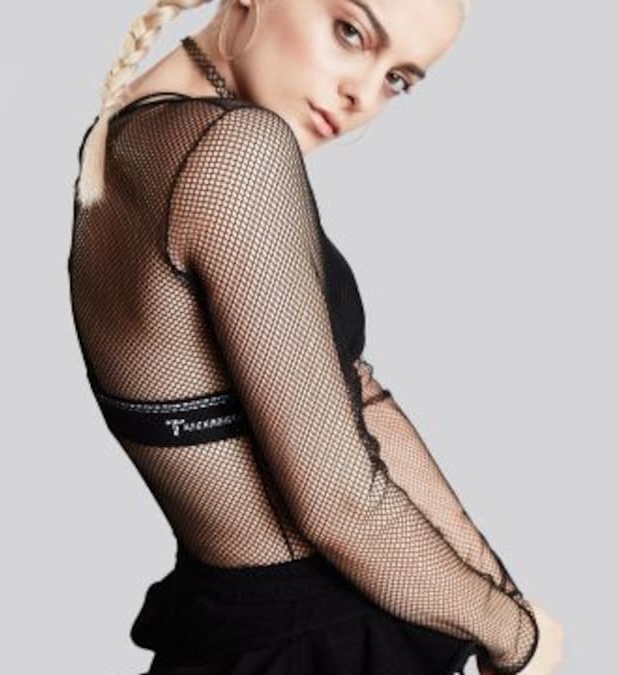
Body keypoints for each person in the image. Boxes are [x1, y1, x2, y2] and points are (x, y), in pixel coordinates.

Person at [67, 1, 566, 673]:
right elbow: (341, 503)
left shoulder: (132, 131)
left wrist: (503, 594)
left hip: (239, 633)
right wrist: (516, 637)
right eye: (351, 32)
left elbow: (356, 394)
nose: (364, 95)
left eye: (398, 79)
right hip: (317, 641)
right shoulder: (234, 152)